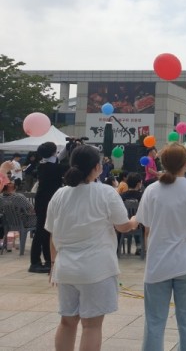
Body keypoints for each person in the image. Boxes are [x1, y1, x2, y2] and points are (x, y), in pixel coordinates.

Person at [45, 145, 139, 351]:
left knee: (67, 322)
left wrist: (53, 265)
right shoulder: (106, 192)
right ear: (97, 167)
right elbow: (122, 225)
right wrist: (134, 221)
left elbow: (52, 234)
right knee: (91, 326)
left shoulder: (59, 195)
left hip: (65, 268)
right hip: (97, 269)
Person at [135, 143, 186, 351]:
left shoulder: (151, 190)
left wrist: (149, 254)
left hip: (158, 263)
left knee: (154, 322)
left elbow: (147, 231)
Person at [30, 142, 67, 274]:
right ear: (53, 152)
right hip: (46, 202)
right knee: (41, 232)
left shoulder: (43, 164)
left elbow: (57, 159)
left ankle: (46, 260)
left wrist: (68, 147)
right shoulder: (53, 168)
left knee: (46, 231)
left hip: (43, 201)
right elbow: (65, 166)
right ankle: (34, 262)